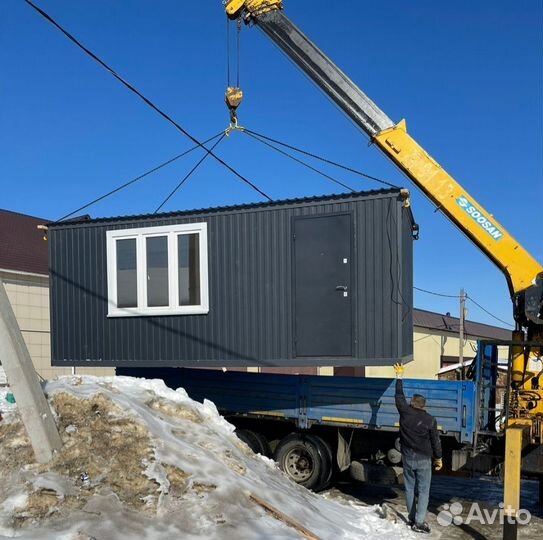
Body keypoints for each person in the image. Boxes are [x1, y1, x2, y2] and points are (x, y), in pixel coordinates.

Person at [393, 362, 442, 534]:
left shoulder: (405, 412)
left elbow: (399, 397)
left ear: (412, 403)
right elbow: (435, 441)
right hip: (423, 459)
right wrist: (438, 458)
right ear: (423, 405)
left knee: (409, 488)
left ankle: (412, 518)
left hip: (407, 457)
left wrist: (399, 377)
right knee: (423, 491)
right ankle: (419, 522)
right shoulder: (430, 419)